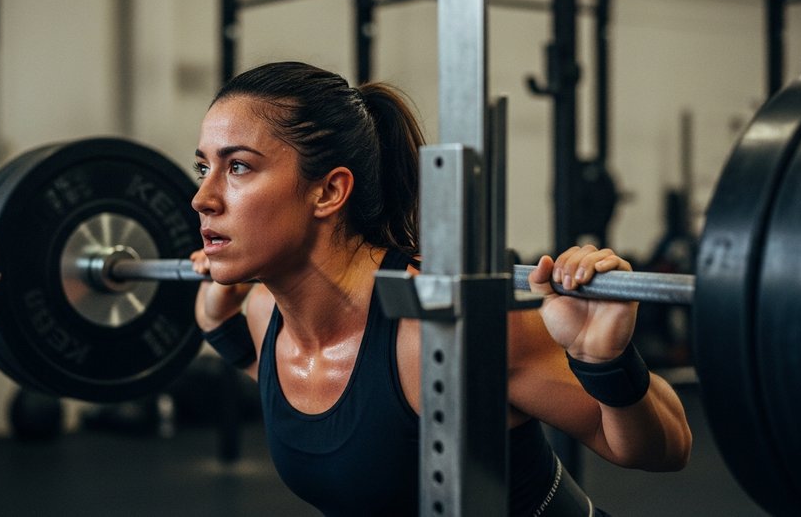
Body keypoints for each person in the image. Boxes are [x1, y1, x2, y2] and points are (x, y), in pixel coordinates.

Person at [189, 61, 692, 516]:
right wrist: (215, 322)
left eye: (238, 167)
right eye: (203, 167)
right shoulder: (262, 314)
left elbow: (664, 449)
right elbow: (332, 409)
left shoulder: (443, 323)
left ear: (329, 191)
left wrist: (603, 361)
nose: (201, 198)